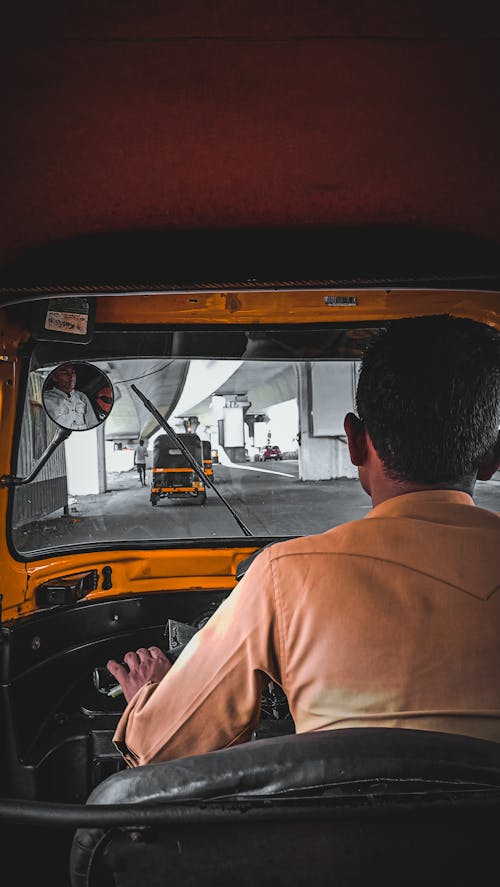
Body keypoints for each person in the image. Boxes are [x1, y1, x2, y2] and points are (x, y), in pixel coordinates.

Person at [108, 315, 500, 768]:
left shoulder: (285, 575)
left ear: (354, 443)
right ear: (491, 457)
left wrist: (147, 699)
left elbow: (159, 750)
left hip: (348, 838)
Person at [43, 363, 97, 430]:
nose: (71, 377)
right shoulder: (45, 398)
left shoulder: (82, 397)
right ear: (54, 377)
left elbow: (93, 424)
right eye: (64, 372)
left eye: (73, 372)